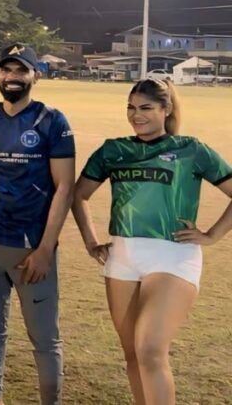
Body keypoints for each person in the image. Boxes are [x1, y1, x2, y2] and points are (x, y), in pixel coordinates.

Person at [71, 77, 232, 405]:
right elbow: (79, 196)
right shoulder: (113, 150)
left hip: (173, 257)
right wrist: (91, 242)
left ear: (166, 109)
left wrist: (213, 234)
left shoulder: (191, 149)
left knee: (150, 350)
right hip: (123, 258)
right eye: (131, 108)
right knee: (132, 354)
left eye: (145, 108)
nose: (136, 115)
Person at [0, 43, 74, 405]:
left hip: (32, 252)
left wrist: (45, 250)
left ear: (35, 75)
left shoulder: (52, 120)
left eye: (21, 70)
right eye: (6, 70)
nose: (12, 77)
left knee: (44, 339)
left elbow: (64, 187)